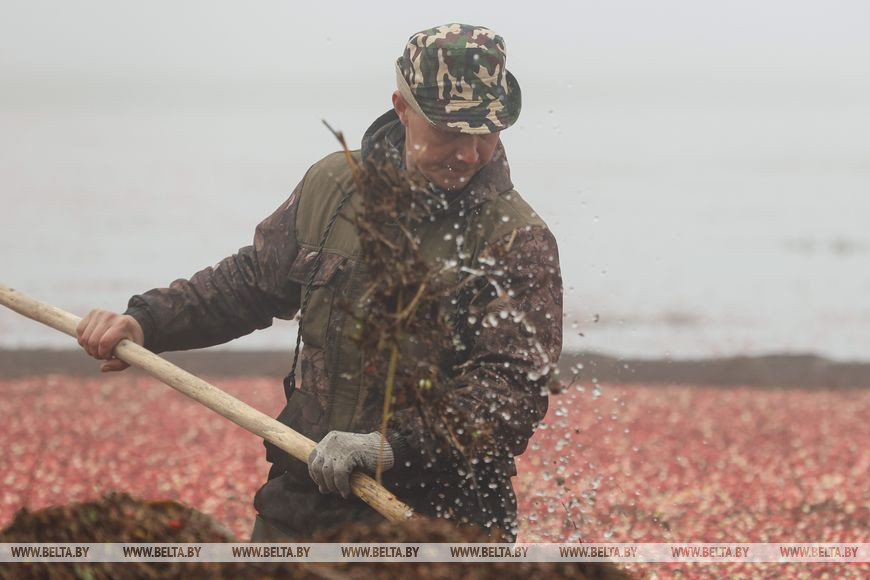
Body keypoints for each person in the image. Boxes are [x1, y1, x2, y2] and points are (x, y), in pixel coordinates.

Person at [76, 23, 563, 542]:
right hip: (303, 496)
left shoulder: (516, 239)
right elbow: (250, 282)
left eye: (485, 132)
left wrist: (388, 446)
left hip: (436, 519)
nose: (468, 153)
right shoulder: (334, 187)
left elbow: (511, 391)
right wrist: (146, 321)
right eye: (449, 132)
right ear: (401, 108)